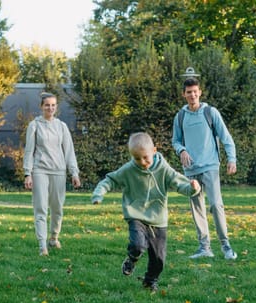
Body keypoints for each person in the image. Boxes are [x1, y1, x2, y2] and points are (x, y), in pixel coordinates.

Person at [92, 132, 201, 291]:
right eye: (137, 158)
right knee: (138, 245)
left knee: (158, 259)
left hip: (158, 218)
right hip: (136, 215)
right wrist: (98, 194)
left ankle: (150, 281)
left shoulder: (163, 169)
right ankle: (132, 259)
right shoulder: (129, 169)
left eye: (145, 158)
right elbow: (110, 180)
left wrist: (192, 188)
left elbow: (179, 183)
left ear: (154, 151)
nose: (142, 162)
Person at [172, 76, 237, 260]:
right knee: (197, 208)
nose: (192, 95)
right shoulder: (180, 116)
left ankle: (226, 246)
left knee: (216, 205)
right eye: (188, 92)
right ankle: (204, 248)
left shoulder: (210, 112)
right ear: (184, 94)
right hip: (191, 171)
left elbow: (226, 137)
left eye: (195, 91)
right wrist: (181, 150)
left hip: (210, 166)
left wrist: (232, 159)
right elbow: (175, 140)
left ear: (200, 92)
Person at [23, 92, 81, 256]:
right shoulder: (34, 125)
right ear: (41, 107)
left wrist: (74, 173)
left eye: (53, 105)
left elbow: (69, 151)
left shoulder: (61, 126)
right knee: (40, 208)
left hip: (59, 171)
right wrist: (28, 173)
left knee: (57, 208)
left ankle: (53, 238)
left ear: (56, 107)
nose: (50, 108)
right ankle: (42, 245)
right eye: (47, 105)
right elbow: (29, 151)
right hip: (40, 170)